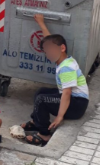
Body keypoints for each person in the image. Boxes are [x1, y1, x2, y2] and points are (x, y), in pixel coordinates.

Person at [21, 14, 89, 146]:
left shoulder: (66, 68)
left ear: (62, 48)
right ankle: (37, 121)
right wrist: (41, 23)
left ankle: (44, 134)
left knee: (42, 100)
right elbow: (49, 40)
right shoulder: (64, 59)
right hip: (75, 101)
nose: (48, 54)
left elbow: (67, 93)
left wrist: (60, 116)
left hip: (76, 105)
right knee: (41, 91)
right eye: (46, 51)